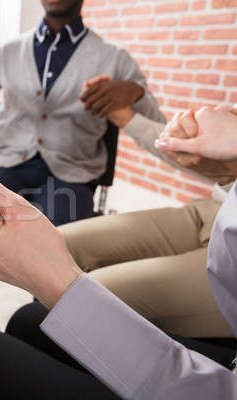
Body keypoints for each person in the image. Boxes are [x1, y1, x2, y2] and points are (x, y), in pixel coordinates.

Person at [0, 106, 237, 399]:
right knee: (31, 316)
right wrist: (227, 171)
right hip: (219, 205)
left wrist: (55, 282)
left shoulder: (113, 61)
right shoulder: (4, 59)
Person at [0, 0, 166, 329]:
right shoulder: (8, 50)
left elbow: (157, 128)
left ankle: (42, 335)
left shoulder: (114, 58)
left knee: (58, 246)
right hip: (8, 166)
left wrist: (134, 93)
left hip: (73, 174)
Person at [53, 76, 237, 339]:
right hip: (211, 212)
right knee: (57, 242)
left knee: (87, 296)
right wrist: (127, 116)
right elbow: (218, 158)